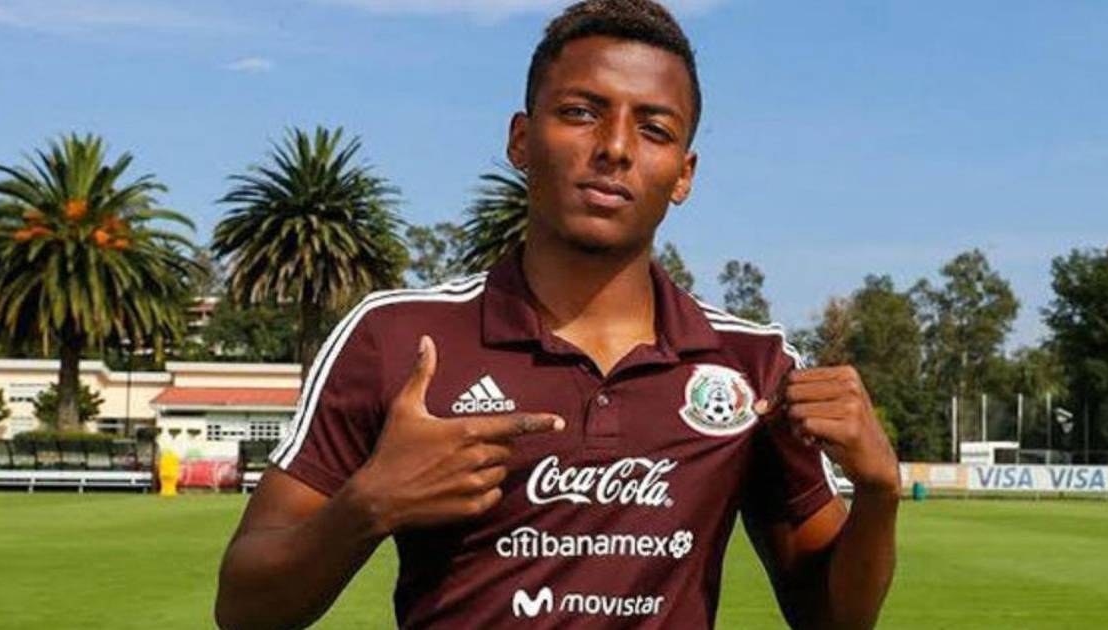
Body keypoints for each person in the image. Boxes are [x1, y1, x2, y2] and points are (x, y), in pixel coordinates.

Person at [214, 1, 899, 627]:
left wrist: (877, 493)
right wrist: (368, 506)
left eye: (654, 129)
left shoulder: (753, 366)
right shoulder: (398, 338)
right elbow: (243, 609)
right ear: (521, 140)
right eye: (580, 112)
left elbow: (831, 620)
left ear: (684, 173)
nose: (616, 147)